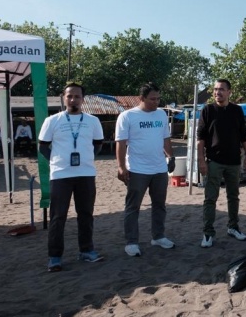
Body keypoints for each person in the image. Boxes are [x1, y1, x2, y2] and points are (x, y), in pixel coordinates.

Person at [38, 82, 105, 272]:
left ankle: (86, 250)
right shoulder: (53, 121)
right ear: (63, 98)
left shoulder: (93, 121)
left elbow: (98, 144)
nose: (73, 99)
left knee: (86, 214)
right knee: (58, 217)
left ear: (83, 99)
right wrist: (56, 161)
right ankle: (55, 256)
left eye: (77, 96)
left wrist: (87, 158)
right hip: (60, 175)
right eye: (69, 96)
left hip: (86, 173)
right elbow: (43, 146)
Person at [116, 82, 177, 257]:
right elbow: (120, 144)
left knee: (159, 205)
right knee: (133, 207)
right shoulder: (127, 116)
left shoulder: (161, 114)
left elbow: (165, 138)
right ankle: (132, 242)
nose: (156, 102)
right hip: (137, 169)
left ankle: (158, 236)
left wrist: (170, 156)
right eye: (152, 99)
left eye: (158, 98)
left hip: (159, 168)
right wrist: (121, 167)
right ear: (141, 98)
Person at [196, 79, 246, 248]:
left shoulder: (237, 110)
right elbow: (201, 139)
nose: (217, 92)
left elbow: (244, 135)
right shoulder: (207, 110)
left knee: (233, 197)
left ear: (229, 92)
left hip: (234, 161)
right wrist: (201, 161)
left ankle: (233, 227)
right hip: (214, 161)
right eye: (215, 89)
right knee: (210, 198)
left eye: (221, 89)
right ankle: (208, 233)